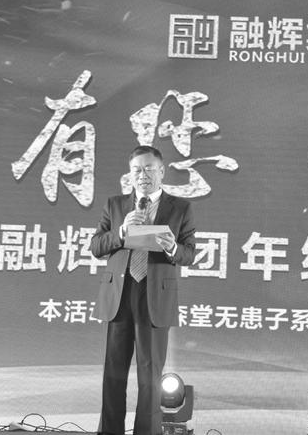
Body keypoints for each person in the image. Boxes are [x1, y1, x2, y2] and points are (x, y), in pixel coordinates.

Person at [90, 146, 196, 435]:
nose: (143, 175)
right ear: (130, 173)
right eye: (137, 169)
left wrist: (172, 247)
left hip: (154, 296)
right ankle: (109, 430)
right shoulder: (115, 205)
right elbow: (96, 246)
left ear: (162, 171)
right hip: (120, 294)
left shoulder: (180, 208)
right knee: (114, 372)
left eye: (149, 168)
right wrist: (121, 232)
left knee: (150, 374)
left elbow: (189, 253)